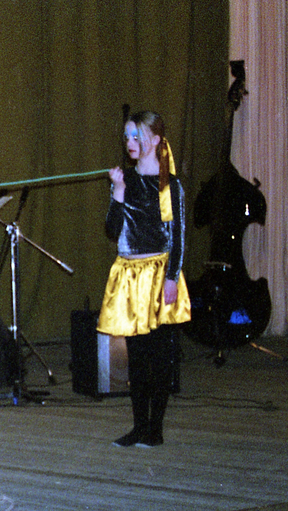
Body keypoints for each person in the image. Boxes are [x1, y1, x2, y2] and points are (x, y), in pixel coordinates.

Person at [100, 110, 191, 447]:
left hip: (158, 275)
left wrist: (171, 278)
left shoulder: (171, 185)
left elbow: (178, 236)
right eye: (126, 137)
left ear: (155, 140)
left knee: (160, 356)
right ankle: (140, 426)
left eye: (136, 136)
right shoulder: (126, 178)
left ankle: (156, 428)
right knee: (136, 357)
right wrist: (119, 191)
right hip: (130, 275)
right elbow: (112, 230)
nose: (130, 143)